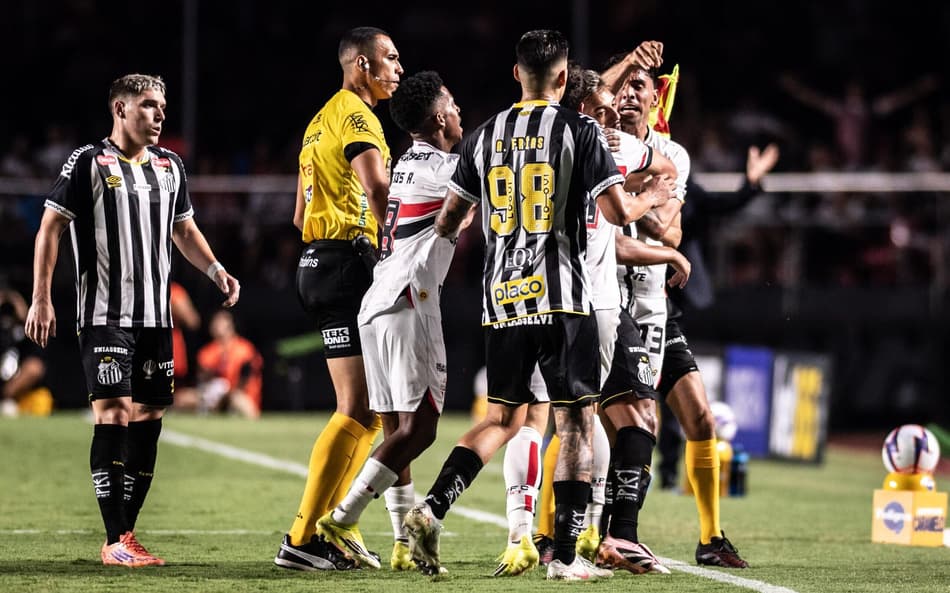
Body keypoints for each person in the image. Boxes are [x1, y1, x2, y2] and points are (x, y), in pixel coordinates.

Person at [402, 30, 667, 581]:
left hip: (502, 300)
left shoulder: (482, 135)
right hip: (565, 301)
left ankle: (431, 508)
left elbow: (449, 220)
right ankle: (565, 558)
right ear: (566, 79)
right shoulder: (580, 131)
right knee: (574, 425)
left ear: (515, 73)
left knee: (500, 417)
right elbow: (617, 213)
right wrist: (653, 195)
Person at [24, 73, 240, 567]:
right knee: (115, 410)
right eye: (148, 105)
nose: (159, 114)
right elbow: (50, 229)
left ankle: (126, 533)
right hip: (104, 314)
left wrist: (215, 270)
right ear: (119, 110)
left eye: (162, 106)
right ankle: (116, 538)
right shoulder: (88, 162)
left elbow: (183, 230)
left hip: (155, 317)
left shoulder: (171, 167)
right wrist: (41, 297)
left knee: (149, 415)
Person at [313, 70, 468, 571]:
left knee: (398, 428)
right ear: (441, 116)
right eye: (455, 105)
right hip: (408, 301)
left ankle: (404, 542)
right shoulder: (445, 169)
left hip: (378, 301)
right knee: (421, 429)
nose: (461, 112)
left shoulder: (407, 162)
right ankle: (341, 518)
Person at [274, 26, 404, 571]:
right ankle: (306, 537)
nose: (397, 67)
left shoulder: (317, 121)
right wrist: (392, 249)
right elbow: (376, 188)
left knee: (365, 410)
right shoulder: (357, 115)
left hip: (317, 261)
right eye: (389, 58)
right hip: (348, 262)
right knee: (362, 409)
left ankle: (326, 532)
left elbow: (300, 215)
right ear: (360, 65)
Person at [615, 62, 752, 568]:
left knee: (699, 418)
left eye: (640, 88)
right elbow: (638, 222)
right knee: (595, 428)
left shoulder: (674, 155)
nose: (630, 95)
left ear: (657, 98)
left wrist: (626, 202)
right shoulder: (598, 143)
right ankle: (552, 535)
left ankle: (711, 538)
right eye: (624, 86)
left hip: (657, 304)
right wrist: (645, 199)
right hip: (607, 302)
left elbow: (670, 234)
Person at [194, 309, 263, 418]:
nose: (215, 326)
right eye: (214, 322)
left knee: (238, 400)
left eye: (220, 323)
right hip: (213, 394)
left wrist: (228, 391)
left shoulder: (245, 349)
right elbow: (202, 378)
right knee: (182, 398)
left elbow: (247, 378)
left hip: (239, 395)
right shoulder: (207, 351)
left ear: (230, 327)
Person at [1, 288, 52, 417]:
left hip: (13, 380)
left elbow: (36, 360)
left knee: (34, 367)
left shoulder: (20, 328)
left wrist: (19, 307)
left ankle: (6, 399)